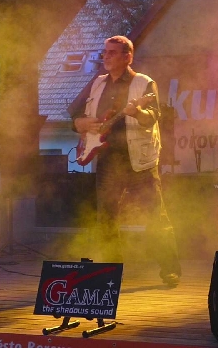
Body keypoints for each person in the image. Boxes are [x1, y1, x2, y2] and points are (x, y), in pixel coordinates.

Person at [73, 35, 181, 286]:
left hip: (139, 161)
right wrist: (81, 123)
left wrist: (138, 111)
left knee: (155, 215)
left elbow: (152, 117)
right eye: (105, 52)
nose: (106, 57)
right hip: (108, 159)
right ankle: (111, 273)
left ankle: (170, 269)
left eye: (112, 52)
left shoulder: (144, 83)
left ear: (127, 56)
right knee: (106, 218)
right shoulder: (98, 84)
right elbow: (77, 117)